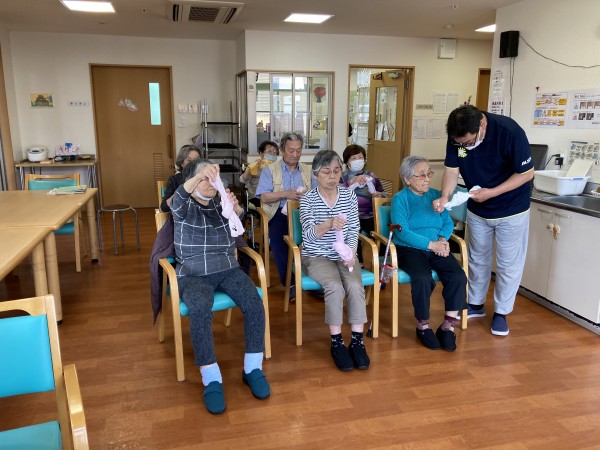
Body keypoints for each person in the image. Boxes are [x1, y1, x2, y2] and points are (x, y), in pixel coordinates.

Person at [171, 159, 270, 414]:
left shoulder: (220, 203)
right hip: (193, 274)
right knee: (200, 307)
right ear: (192, 181)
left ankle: (253, 368)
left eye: (213, 177)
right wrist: (199, 175)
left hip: (227, 269)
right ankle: (211, 377)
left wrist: (236, 209)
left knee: (253, 301)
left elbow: (238, 225)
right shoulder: (183, 205)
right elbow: (178, 197)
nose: (211, 182)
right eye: (205, 178)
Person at [433, 105, 533, 336]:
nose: (464, 146)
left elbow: (527, 173)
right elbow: (452, 170)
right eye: (460, 144)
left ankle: (501, 313)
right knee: (477, 259)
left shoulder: (509, 132)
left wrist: (493, 192)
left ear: (482, 125)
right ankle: (476, 304)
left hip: (511, 208)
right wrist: (445, 197)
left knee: (508, 264)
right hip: (478, 208)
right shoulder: (457, 138)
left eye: (468, 142)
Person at [300, 150, 370, 371]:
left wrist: (350, 253)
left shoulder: (348, 196)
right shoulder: (308, 199)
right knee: (334, 286)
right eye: (326, 172)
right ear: (315, 175)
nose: (332, 176)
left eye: (336, 171)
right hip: (316, 255)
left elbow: (354, 228)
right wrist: (328, 224)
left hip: (344, 254)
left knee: (355, 285)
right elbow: (308, 236)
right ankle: (337, 342)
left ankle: (357, 341)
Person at [392, 156, 467, 351]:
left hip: (436, 246)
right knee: (422, 278)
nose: (427, 178)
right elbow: (402, 232)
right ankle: (423, 326)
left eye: (429, 173)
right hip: (409, 249)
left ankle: (448, 326)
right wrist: (431, 245)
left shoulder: (436, 195)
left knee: (458, 276)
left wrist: (442, 239)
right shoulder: (400, 199)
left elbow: (447, 222)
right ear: (407, 179)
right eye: (421, 175)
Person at [256, 132, 316, 296]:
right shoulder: (270, 170)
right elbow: (264, 196)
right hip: (279, 213)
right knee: (279, 239)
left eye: (298, 150)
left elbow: (318, 193)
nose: (295, 154)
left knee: (319, 235)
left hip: (304, 213)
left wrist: (308, 195)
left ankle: (316, 280)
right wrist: (286, 194)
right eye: (291, 150)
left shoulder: (308, 170)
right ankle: (290, 283)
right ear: (282, 150)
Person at [340, 144, 386, 261]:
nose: (357, 160)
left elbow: (383, 193)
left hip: (370, 214)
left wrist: (379, 195)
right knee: (353, 233)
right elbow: (337, 193)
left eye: (360, 157)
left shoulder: (371, 176)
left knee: (381, 232)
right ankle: (358, 261)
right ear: (347, 162)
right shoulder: (343, 176)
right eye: (353, 158)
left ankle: (380, 260)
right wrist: (352, 182)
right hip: (350, 215)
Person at [160, 144, 201, 212]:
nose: (194, 163)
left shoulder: (205, 178)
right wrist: (180, 193)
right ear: (181, 163)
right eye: (189, 160)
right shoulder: (174, 180)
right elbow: (164, 207)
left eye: (197, 160)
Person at [240, 140, 279, 207]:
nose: (272, 153)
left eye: (275, 151)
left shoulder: (278, 167)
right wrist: (251, 168)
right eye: (269, 151)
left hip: (273, 197)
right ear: (261, 153)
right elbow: (243, 180)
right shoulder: (255, 166)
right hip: (256, 197)